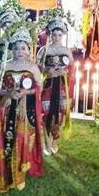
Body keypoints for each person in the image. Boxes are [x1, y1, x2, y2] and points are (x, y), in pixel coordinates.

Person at [0, 27, 43, 193]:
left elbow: (39, 88)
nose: (19, 51)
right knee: (8, 139)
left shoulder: (33, 67)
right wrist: (8, 93)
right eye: (16, 47)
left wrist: (27, 92)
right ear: (11, 49)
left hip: (26, 111)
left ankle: (19, 175)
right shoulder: (4, 66)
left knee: (23, 141)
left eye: (23, 48)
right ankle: (6, 173)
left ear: (29, 49)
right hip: (8, 110)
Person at [37, 15, 74, 155]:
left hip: (62, 85)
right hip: (48, 85)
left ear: (63, 35)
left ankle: (55, 141)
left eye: (59, 34)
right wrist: (47, 70)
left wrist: (64, 71)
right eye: (54, 34)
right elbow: (38, 67)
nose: (57, 37)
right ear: (50, 34)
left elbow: (72, 68)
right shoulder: (44, 50)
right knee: (46, 113)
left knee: (60, 113)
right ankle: (46, 142)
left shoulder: (66, 50)